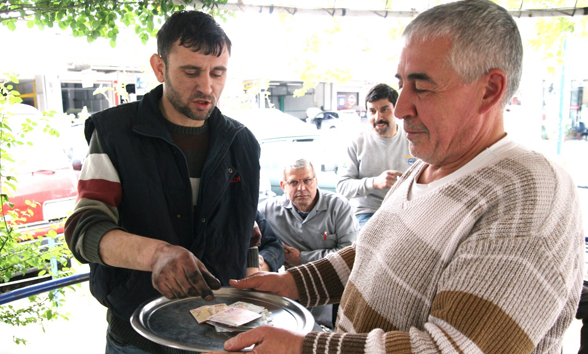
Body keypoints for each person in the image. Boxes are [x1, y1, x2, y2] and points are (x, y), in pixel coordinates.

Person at [209, 1, 584, 353]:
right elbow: (376, 252)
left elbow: (453, 348)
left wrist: (306, 346)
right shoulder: (427, 166)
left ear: (489, 90)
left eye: (421, 87)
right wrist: (292, 284)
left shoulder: (529, 193)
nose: (402, 107)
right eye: (402, 83)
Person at [63, 10, 261, 354]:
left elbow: (246, 233)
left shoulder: (242, 143)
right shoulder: (114, 135)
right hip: (138, 336)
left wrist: (253, 287)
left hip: (219, 337)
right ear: (159, 67)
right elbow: (84, 229)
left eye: (217, 73)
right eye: (191, 72)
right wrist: (155, 255)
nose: (206, 87)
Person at [258, 158, 358, 328]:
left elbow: (351, 254)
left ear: (316, 181)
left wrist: (302, 258)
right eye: (294, 182)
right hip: (289, 287)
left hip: (331, 283)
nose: (301, 188)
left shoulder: (339, 207)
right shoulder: (268, 210)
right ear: (283, 186)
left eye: (307, 180)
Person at [336, 84, 415, 227]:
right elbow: (342, 186)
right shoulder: (356, 142)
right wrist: (374, 183)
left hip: (405, 210)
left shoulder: (412, 139)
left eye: (384, 110)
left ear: (396, 110)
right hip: (368, 213)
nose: (378, 117)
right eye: (372, 111)